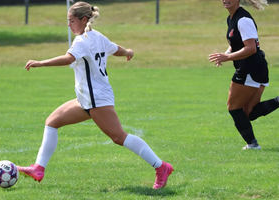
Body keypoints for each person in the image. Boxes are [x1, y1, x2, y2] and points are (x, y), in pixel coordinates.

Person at [17, 1, 173, 189]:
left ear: (83, 20)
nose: (68, 25)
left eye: (71, 21)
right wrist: (128, 52)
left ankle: (161, 167)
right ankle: (38, 168)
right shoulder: (97, 37)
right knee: (52, 122)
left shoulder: (82, 41)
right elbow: (116, 49)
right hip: (87, 98)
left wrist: (40, 63)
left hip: (96, 99)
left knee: (119, 137)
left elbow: (68, 58)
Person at [208, 0, 279, 150]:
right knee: (249, 112)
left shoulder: (243, 19)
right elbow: (235, 43)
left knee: (234, 108)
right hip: (256, 66)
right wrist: (225, 54)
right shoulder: (232, 18)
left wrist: (227, 57)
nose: (226, 0)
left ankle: (252, 145)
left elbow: (251, 48)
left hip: (250, 67)